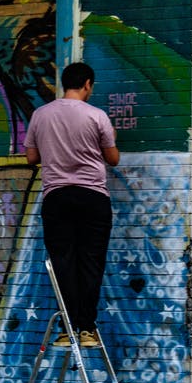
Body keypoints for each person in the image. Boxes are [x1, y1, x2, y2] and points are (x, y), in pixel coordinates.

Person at [24, 62, 120, 348]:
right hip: (93, 198)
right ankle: (87, 329)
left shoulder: (41, 115)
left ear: (64, 84)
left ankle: (67, 330)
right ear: (87, 84)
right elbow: (113, 159)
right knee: (91, 263)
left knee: (63, 263)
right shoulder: (97, 116)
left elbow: (31, 158)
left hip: (57, 197)